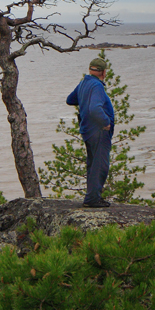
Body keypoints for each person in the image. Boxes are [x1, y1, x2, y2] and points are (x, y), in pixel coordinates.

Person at [66, 57, 115, 207]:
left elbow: (70, 99)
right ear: (104, 72)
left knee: (93, 164)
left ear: (90, 69)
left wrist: (84, 100)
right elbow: (95, 108)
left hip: (87, 130)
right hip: (98, 131)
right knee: (100, 165)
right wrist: (105, 122)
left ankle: (92, 197)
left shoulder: (84, 82)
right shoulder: (97, 86)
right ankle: (93, 199)